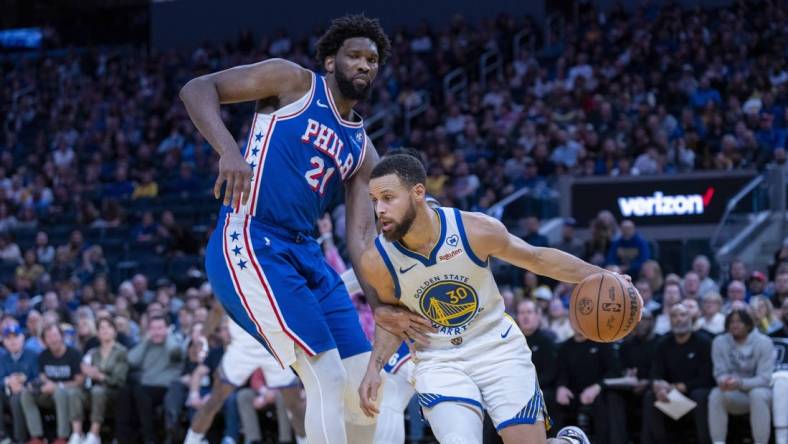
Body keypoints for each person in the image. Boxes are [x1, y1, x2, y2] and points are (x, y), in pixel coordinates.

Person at [180, 15, 423, 444]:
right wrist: (229, 151)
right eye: (355, 56)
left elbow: (360, 239)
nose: (364, 65)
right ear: (331, 61)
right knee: (325, 378)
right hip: (252, 239)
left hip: (306, 255)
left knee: (363, 386)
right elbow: (198, 89)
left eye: (372, 59)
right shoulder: (292, 81)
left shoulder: (363, 149)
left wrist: (378, 302)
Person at [357, 154, 639, 443]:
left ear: (418, 193)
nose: (380, 209)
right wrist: (373, 368)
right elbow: (392, 319)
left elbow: (537, 258)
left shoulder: (474, 229)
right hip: (439, 358)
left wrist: (603, 275)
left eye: (388, 198)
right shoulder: (377, 261)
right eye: (374, 200)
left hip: (496, 345)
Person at [183, 302, 306, 444]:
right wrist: (202, 338)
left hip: (275, 346)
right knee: (215, 399)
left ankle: (305, 441)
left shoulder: (276, 280)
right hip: (243, 348)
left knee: (295, 405)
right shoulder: (231, 280)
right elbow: (217, 308)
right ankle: (191, 440)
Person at [644, 304, 713, 444]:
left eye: (682, 315)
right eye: (674, 316)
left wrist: (679, 387)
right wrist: (658, 386)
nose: (678, 319)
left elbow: (708, 378)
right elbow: (655, 373)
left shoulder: (704, 342)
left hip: (694, 393)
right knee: (651, 396)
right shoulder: (662, 343)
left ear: (691, 318)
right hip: (671, 397)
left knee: (699, 394)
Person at [709, 308, 774, 444]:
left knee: (757, 394)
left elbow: (765, 378)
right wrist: (723, 380)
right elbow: (719, 372)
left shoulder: (764, 342)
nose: (735, 325)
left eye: (739, 321)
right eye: (731, 321)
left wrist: (740, 382)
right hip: (736, 394)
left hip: (761, 392)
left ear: (749, 324)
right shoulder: (719, 342)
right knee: (716, 394)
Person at [20, 323, 84, 444]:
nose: (52, 339)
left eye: (55, 335)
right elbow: (42, 376)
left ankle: (62, 437)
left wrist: (58, 386)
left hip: (69, 392)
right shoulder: (43, 356)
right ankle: (36, 436)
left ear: (62, 336)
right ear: (45, 341)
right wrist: (41, 385)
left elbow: (80, 381)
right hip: (49, 393)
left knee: (60, 392)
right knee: (26, 394)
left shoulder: (74, 354)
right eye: (48, 337)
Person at [80, 317, 128, 444]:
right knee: (74, 393)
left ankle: (94, 434)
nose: (105, 330)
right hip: (93, 389)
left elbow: (119, 379)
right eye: (101, 328)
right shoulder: (93, 353)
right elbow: (85, 372)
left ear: (114, 331)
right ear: (97, 333)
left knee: (98, 391)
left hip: (114, 391)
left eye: (108, 327)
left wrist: (99, 376)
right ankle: (76, 434)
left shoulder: (121, 351)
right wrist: (85, 371)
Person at [0, 324, 38, 444]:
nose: (12, 341)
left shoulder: (33, 356)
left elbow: (38, 377)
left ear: (22, 338)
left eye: (15, 337)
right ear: (4, 342)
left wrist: (24, 382)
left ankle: (19, 439)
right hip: (7, 392)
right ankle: (2, 435)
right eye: (8, 338)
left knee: (17, 399)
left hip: (29, 393)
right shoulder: (2, 358)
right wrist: (7, 381)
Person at [770, 298, 788, 444]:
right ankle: (781, 439)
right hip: (773, 379)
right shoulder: (771, 334)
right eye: (786, 308)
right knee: (781, 379)